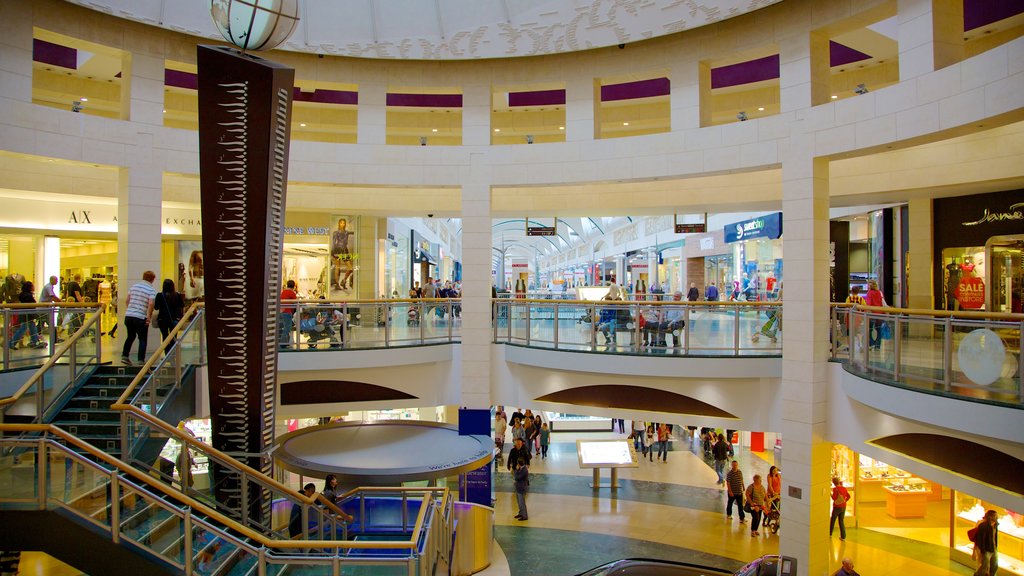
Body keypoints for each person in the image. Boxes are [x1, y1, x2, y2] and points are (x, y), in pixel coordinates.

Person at [121, 271, 157, 366]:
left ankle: (125, 356)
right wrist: (148, 316)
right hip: (141, 317)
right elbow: (150, 303)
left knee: (130, 336)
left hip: (129, 316)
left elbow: (127, 300)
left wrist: (130, 309)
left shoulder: (134, 287)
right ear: (153, 279)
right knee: (142, 338)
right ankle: (140, 360)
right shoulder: (151, 290)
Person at [8, 281, 44, 350]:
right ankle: (12, 343)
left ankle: (35, 341)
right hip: (28, 314)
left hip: (25, 314)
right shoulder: (28, 296)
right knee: (24, 328)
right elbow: (33, 304)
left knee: (31, 327)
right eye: (32, 286)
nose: (34, 287)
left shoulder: (22, 294)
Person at [154, 279, 185, 350]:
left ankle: (166, 354)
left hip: (162, 319)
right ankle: (173, 353)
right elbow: (182, 306)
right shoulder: (177, 295)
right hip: (174, 319)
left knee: (165, 337)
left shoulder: (160, 295)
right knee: (174, 337)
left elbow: (156, 307)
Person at [330, 217, 355, 291]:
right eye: (341, 222)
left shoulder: (347, 232)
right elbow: (334, 243)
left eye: (344, 223)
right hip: (337, 249)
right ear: (339, 224)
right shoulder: (335, 232)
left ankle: (343, 281)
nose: (342, 224)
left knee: (350, 268)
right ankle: (337, 284)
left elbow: (354, 232)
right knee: (338, 267)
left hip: (344, 249)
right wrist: (333, 252)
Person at [973, 509, 999, 576]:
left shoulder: (995, 525)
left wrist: (995, 546)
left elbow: (995, 536)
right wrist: (983, 550)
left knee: (994, 565)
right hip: (986, 550)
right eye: (995, 516)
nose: (997, 517)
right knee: (984, 567)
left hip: (993, 548)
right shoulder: (983, 526)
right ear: (990, 517)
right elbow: (981, 539)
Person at [864, 279, 885, 350]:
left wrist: (866, 310)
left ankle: (871, 343)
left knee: (869, 330)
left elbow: (868, 304)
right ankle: (878, 345)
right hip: (880, 313)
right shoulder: (879, 292)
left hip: (872, 314)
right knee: (878, 330)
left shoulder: (869, 293)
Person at [279, 280, 298, 347]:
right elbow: (296, 302)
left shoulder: (283, 292)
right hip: (287, 312)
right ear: (294, 286)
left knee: (283, 328)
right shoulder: (292, 293)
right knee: (287, 328)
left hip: (281, 312)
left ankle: (284, 343)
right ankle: (283, 344)